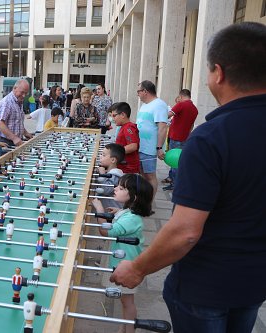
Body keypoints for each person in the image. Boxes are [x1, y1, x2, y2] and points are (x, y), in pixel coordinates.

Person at [110, 22, 266, 333]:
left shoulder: (211, 138)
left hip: (205, 287)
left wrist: (138, 269)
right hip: (254, 283)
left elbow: (186, 232)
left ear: (218, 73)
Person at [92, 174, 153, 333]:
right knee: (124, 300)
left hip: (126, 265)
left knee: (127, 302)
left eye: (121, 188)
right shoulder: (128, 212)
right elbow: (124, 218)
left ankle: (129, 330)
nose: (115, 189)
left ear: (134, 196)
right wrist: (118, 212)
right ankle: (123, 326)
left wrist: (99, 210)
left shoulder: (132, 218)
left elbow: (106, 232)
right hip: (121, 261)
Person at [135, 80, 168, 197]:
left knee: (150, 176)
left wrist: (159, 148)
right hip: (140, 146)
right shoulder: (145, 105)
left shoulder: (159, 105)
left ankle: (149, 203)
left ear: (145, 91)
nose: (137, 94)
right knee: (143, 175)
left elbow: (162, 127)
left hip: (149, 148)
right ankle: (143, 199)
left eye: (138, 91)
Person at [163, 89, 198, 191]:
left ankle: (175, 183)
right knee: (178, 160)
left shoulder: (181, 105)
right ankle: (172, 178)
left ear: (181, 96)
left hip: (175, 137)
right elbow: (191, 125)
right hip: (184, 137)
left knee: (174, 161)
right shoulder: (195, 109)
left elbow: (167, 115)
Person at [0, 79, 33, 155]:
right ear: (14, 88)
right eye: (22, 92)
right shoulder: (7, 102)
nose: (24, 95)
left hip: (15, 141)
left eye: (26, 93)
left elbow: (16, 121)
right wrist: (14, 138)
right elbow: (0, 124)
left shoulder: (19, 101)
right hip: (5, 142)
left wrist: (25, 132)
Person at [111, 102, 140, 174]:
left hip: (128, 168)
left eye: (114, 116)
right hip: (124, 166)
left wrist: (113, 153)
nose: (112, 119)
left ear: (123, 115)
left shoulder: (128, 127)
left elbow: (133, 146)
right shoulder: (124, 126)